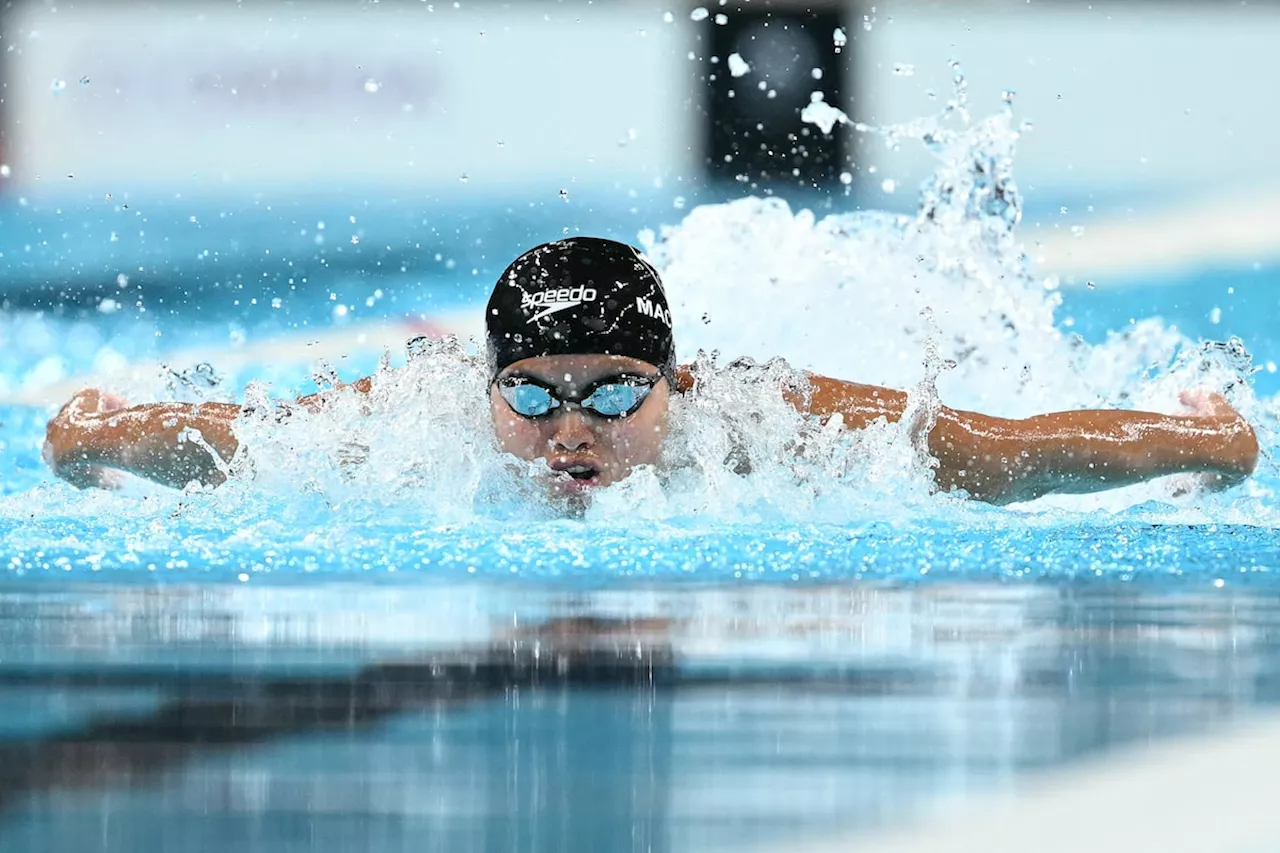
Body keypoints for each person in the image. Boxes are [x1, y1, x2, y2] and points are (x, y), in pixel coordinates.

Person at [42, 237, 1260, 505]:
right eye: (532, 392)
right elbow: (226, 434)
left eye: (616, 389)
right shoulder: (408, 425)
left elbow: (1006, 449)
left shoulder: (779, 424)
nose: (572, 429)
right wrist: (86, 430)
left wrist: (1210, 439)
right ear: (485, 389)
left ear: (674, 384)